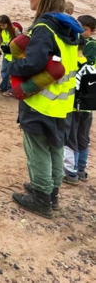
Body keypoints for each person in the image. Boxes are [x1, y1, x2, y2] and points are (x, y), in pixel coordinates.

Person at [8, 0, 82, 218]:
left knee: (38, 147)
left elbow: (33, 62)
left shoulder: (43, 27)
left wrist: (13, 66)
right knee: (55, 147)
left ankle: (41, 196)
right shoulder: (69, 28)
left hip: (40, 100)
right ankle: (52, 193)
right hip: (62, 103)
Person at [63, 14, 96, 184]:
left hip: (74, 102)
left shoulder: (75, 55)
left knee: (71, 137)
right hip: (89, 102)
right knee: (83, 137)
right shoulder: (91, 55)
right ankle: (81, 169)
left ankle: (71, 172)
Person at [0, 15, 21, 97]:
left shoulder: (15, 30)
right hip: (5, 54)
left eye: (3, 25)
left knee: (10, 73)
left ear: (8, 23)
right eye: (0, 25)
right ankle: (4, 86)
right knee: (4, 71)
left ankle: (10, 90)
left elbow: (21, 41)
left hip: (13, 56)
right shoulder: (2, 31)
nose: (1, 27)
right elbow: (1, 41)